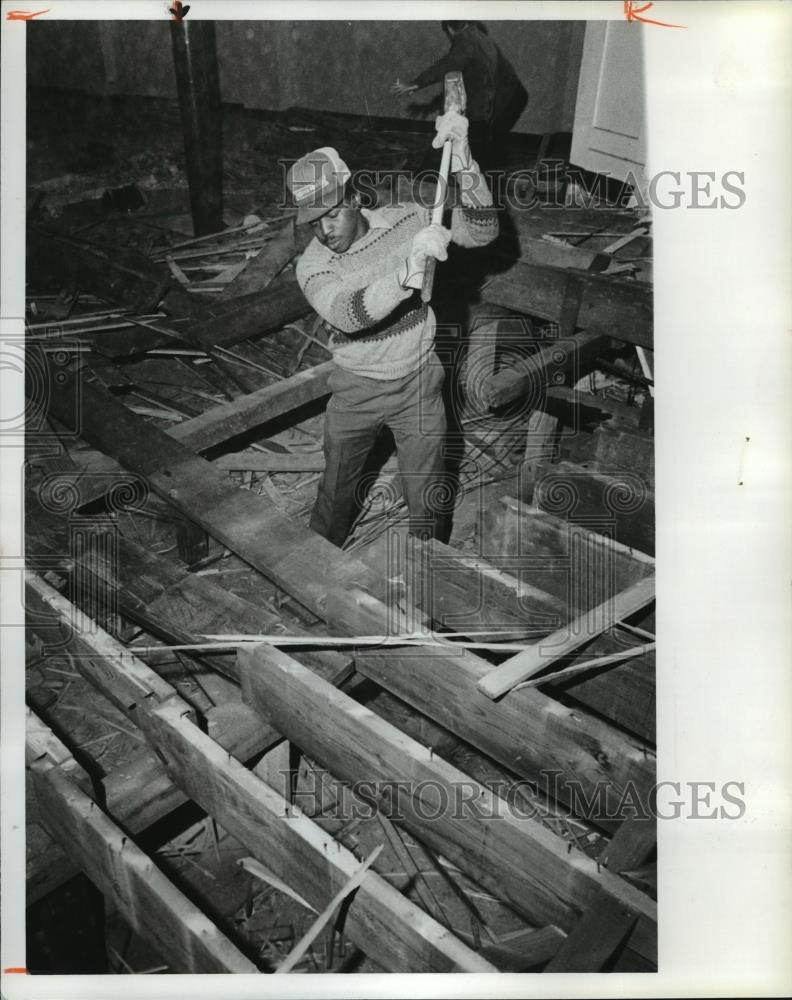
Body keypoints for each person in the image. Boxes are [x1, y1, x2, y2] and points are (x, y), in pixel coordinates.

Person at [287, 110, 499, 548]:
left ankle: (429, 575)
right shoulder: (314, 265)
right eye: (313, 221)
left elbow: (483, 232)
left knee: (429, 497)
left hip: (419, 383)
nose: (324, 231)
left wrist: (465, 164)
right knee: (336, 491)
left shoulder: (409, 219)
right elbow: (348, 313)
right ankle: (313, 571)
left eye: (331, 214)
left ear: (354, 198)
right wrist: (409, 269)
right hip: (356, 391)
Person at [392, 21, 528, 174]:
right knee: (480, 148)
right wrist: (430, 105)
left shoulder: (466, 39)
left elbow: (448, 63)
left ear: (449, 30)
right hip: (511, 99)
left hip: (503, 101)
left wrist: (416, 83)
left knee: (466, 141)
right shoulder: (482, 39)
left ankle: (426, 175)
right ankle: (440, 173)